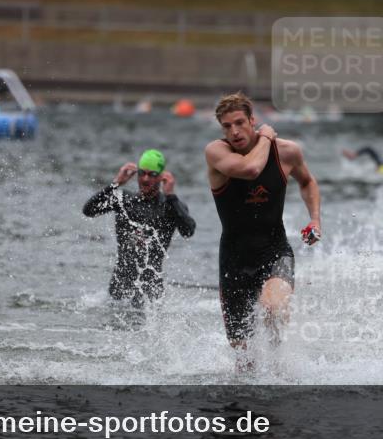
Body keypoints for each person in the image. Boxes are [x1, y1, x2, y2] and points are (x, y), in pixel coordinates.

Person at [204, 92, 321, 361]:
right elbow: (251, 169)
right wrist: (267, 137)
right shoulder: (216, 152)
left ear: (252, 120)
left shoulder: (287, 152)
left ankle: (280, 369)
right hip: (234, 260)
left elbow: (307, 182)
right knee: (243, 358)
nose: (234, 131)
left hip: (274, 251)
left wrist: (314, 218)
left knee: (273, 307)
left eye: (239, 122)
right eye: (226, 126)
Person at [82, 149, 195, 308]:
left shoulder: (170, 206)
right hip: (119, 287)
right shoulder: (124, 200)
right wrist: (115, 184)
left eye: (152, 174)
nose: (146, 179)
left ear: (162, 177)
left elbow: (188, 231)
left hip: (151, 293)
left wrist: (171, 196)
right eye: (142, 173)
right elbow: (88, 210)